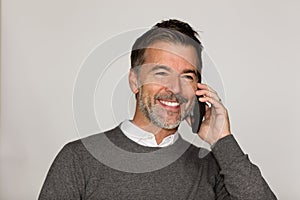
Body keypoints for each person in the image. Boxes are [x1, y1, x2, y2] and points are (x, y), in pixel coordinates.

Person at [39, 19, 277, 200]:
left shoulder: (211, 166)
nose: (175, 88)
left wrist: (222, 141)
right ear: (135, 81)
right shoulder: (77, 160)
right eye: (161, 73)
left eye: (187, 76)